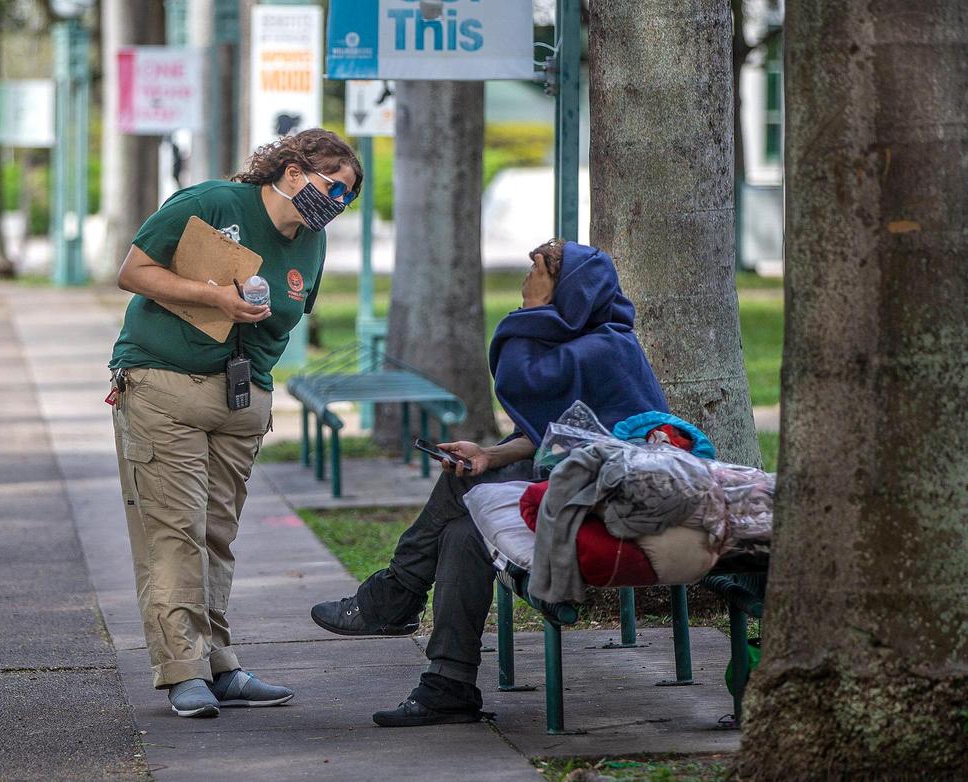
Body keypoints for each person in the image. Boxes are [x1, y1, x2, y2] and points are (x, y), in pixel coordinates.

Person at [310, 239, 668, 727]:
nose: (526, 281)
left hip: (607, 503)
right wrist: (490, 455)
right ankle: (447, 686)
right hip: (575, 487)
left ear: (568, 289)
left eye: (537, 271)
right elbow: (554, 437)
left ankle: (395, 595)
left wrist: (537, 310)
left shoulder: (607, 349)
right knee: (463, 533)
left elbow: (521, 378)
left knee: (461, 493)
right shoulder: (587, 344)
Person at [109, 129, 362, 718]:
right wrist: (213, 296)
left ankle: (219, 664)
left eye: (348, 196)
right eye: (333, 187)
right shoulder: (213, 204)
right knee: (174, 530)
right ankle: (181, 671)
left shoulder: (311, 243)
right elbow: (134, 271)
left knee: (217, 534)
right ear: (294, 172)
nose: (338, 203)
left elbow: (294, 316)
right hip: (164, 383)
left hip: (242, 400)